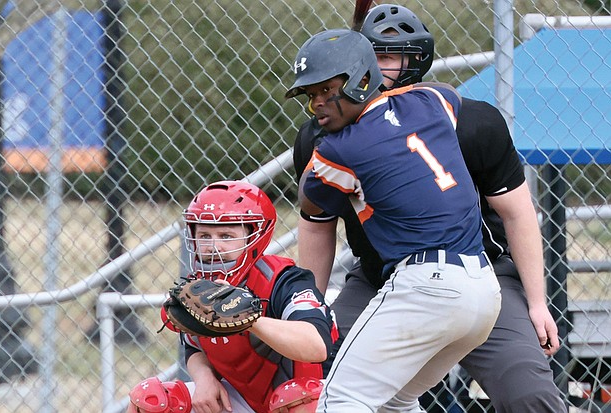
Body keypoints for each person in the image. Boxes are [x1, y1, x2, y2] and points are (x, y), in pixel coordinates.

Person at [292, 4, 565, 413]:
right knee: (318, 366)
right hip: (378, 277)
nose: (377, 67)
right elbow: (317, 226)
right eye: (370, 54)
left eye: (387, 56)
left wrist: (537, 302)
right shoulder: (328, 136)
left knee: (528, 394)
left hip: (484, 268)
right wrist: (309, 307)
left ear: (414, 59)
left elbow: (518, 213)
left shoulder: (471, 122)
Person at [127, 180, 337, 413]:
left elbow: (316, 345)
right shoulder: (197, 287)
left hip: (316, 394)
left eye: (226, 235)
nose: (213, 247)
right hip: (245, 398)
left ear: (253, 236)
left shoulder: (284, 280)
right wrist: (204, 379)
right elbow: (194, 347)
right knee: (151, 401)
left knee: (300, 399)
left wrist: (249, 319)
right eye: (205, 236)